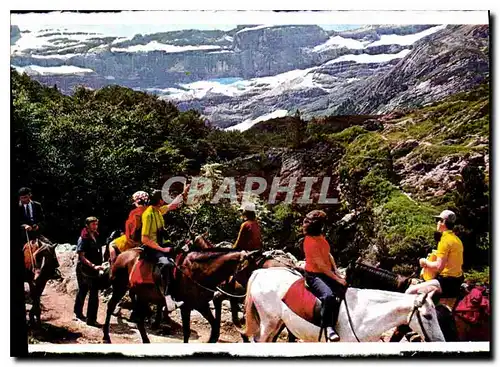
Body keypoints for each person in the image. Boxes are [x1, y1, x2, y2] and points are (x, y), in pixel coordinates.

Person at [141, 184, 190, 312]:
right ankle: (168, 298)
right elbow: (144, 239)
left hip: (162, 245)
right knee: (167, 264)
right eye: (162, 198)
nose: (164, 200)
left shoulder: (158, 210)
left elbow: (172, 206)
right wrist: (162, 250)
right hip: (152, 248)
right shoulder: (148, 214)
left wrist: (183, 193)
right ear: (159, 200)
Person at [302, 210, 347, 342]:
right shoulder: (309, 241)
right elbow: (321, 267)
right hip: (315, 276)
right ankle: (328, 327)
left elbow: (328, 255)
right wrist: (337, 278)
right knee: (328, 296)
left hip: (327, 272)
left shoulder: (320, 236)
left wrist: (337, 270)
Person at [407, 210, 464, 301]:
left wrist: (424, 262)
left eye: (438, 220)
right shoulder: (457, 239)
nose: (437, 222)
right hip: (457, 281)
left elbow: (438, 267)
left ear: (443, 222)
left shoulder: (445, 240)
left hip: (446, 283)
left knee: (409, 292)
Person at [18, 187, 61, 279]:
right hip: (22, 235)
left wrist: (38, 226)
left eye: (25, 197)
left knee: (50, 245)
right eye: (21, 198)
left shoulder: (37, 205)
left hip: (36, 233)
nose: (23, 200)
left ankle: (54, 269)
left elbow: (43, 220)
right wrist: (24, 226)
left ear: (30, 195)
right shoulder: (17, 207)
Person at [74, 216, 104, 326]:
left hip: (94, 268)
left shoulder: (96, 235)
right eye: (93, 224)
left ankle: (84, 315)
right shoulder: (83, 238)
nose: (95, 226)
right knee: (85, 291)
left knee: (90, 291)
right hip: (84, 269)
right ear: (87, 226)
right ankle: (87, 318)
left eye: (96, 224)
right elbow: (82, 256)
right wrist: (93, 266)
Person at [108, 191, 150, 264]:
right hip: (150, 240)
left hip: (135, 242)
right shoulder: (152, 211)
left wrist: (127, 237)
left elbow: (132, 231)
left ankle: (113, 266)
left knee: (112, 244)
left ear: (137, 202)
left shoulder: (134, 212)